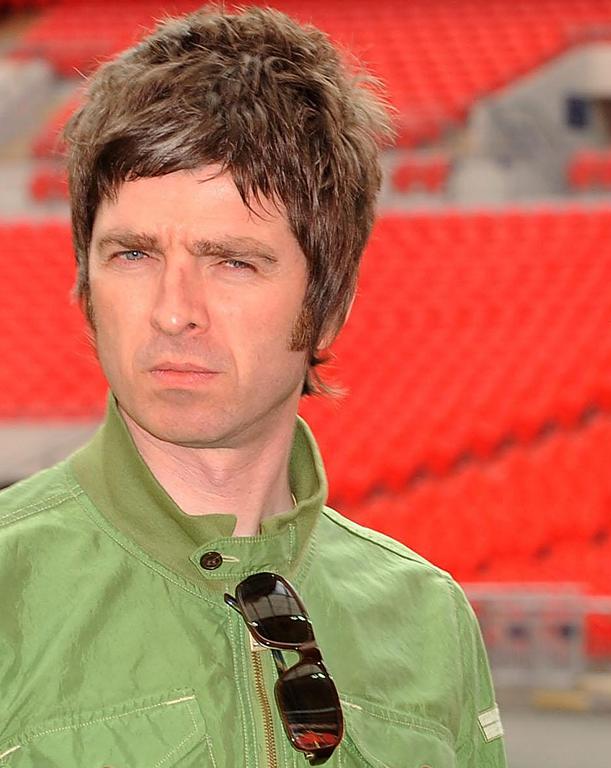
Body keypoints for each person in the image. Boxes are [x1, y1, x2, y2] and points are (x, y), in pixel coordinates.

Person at [0, 7, 506, 767]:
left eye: (232, 261)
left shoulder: (428, 619)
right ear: (83, 284)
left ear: (327, 306)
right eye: (133, 255)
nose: (174, 311)